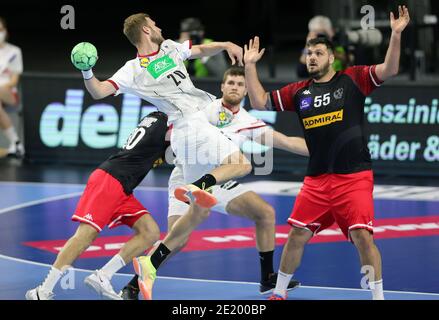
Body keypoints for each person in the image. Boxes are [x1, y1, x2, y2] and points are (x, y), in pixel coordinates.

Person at [243, 6, 410, 300]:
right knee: (296, 235)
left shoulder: (353, 80)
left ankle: (378, 297)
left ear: (331, 58)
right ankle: (279, 293)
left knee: (362, 236)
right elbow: (258, 101)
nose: (312, 58)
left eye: (318, 53)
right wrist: (249, 65)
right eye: (309, 54)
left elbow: (390, 69)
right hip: (317, 180)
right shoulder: (299, 92)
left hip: (353, 176)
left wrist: (395, 34)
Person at [121, 66, 309, 300]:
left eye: (240, 84)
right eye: (230, 82)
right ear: (222, 86)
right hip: (187, 178)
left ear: (246, 90)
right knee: (176, 240)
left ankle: (267, 277)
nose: (234, 87)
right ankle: (133, 286)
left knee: (265, 213)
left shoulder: (247, 122)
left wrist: (322, 149)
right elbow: (172, 130)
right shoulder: (203, 108)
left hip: (218, 182)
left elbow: (288, 142)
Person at [80, 13, 252, 211]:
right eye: (155, 24)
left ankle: (190, 195)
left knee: (192, 215)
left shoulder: (170, 47)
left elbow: (201, 49)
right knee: (241, 165)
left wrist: (226, 44)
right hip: (190, 123)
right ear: (146, 29)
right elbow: (99, 91)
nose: (159, 28)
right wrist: (87, 71)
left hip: (191, 130)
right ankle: (196, 187)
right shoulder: (132, 70)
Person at [25, 111, 170, 300]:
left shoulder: (156, 118)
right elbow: (174, 153)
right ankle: (42, 291)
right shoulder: (170, 123)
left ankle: (103, 276)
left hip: (123, 186)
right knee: (84, 236)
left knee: (150, 232)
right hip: (110, 181)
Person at [0, 17, 24, 157]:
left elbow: (14, 81)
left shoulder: (14, 52)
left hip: (9, 93)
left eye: (0, 30)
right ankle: (16, 143)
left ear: (5, 31)